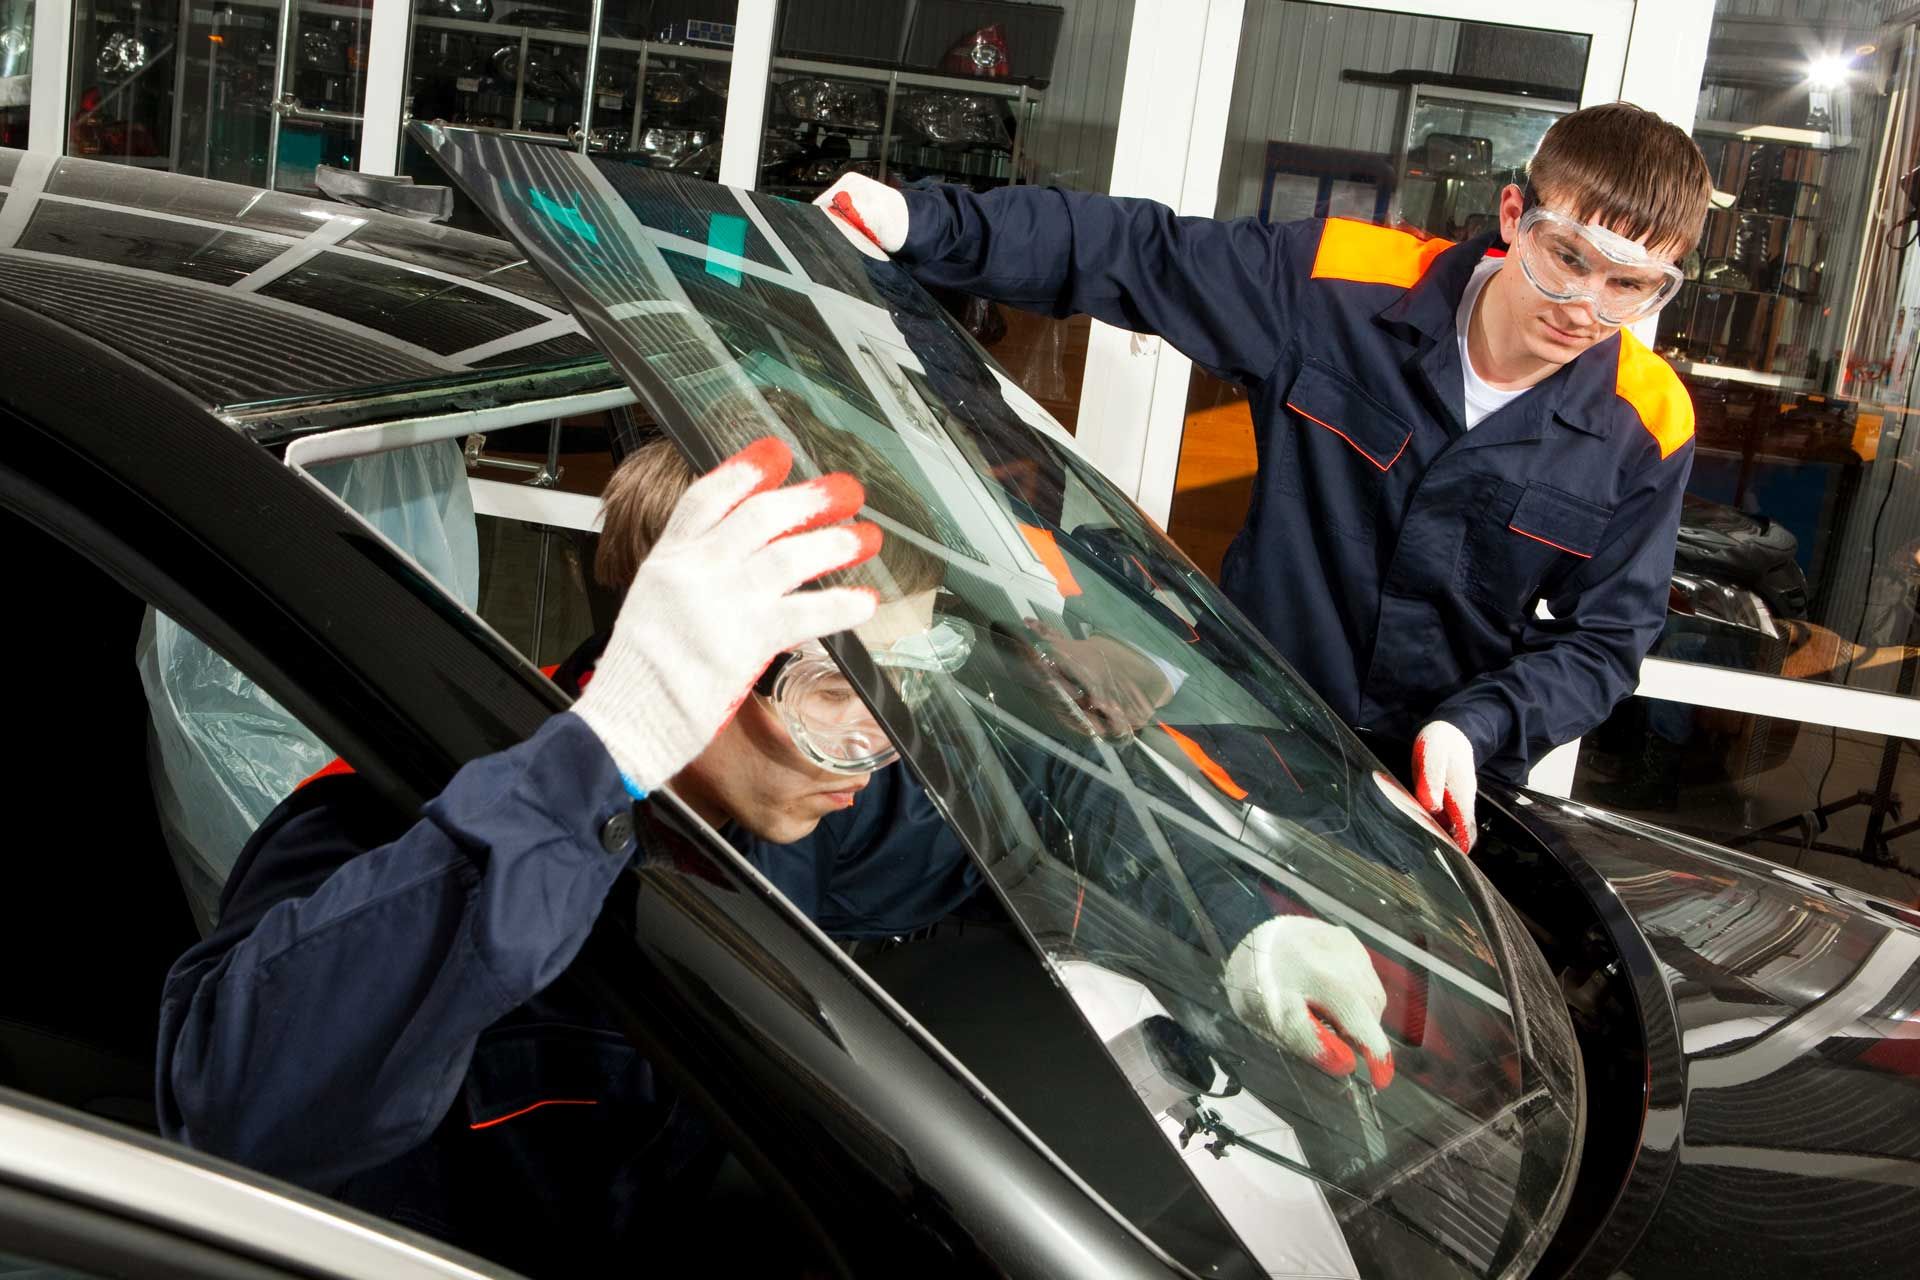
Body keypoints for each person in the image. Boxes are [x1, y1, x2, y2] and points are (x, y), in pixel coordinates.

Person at [817, 101, 1713, 852]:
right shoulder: (1339, 286)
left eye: (1631, 286)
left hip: (1432, 798)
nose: (1586, 308)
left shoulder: (1648, 422)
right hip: (1248, 735)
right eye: (1569, 259)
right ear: (1516, 217)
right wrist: (925, 223)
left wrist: (1474, 728)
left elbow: (1605, 642)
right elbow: (1140, 254)